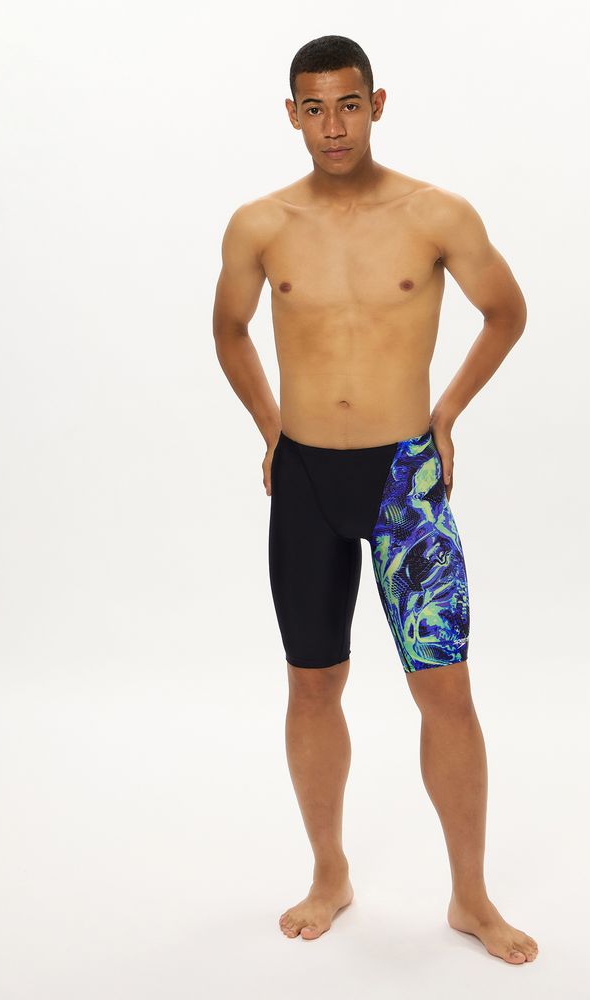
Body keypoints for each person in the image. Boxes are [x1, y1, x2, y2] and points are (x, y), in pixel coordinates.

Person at [212, 35, 537, 965]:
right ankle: (330, 875)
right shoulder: (259, 225)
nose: (333, 126)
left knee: (447, 690)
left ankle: (471, 898)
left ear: (377, 104)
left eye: (348, 105)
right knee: (313, 685)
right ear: (291, 115)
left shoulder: (435, 214)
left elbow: (507, 310)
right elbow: (229, 329)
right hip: (306, 481)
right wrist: (271, 427)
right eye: (313, 108)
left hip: (406, 484)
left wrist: (446, 412)